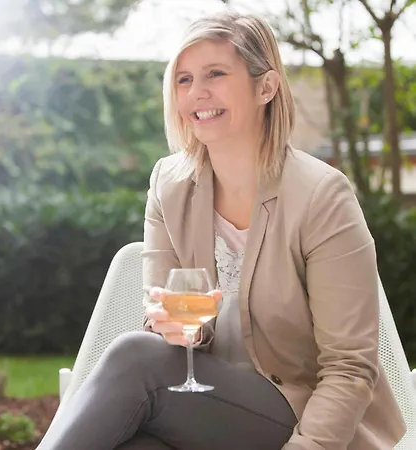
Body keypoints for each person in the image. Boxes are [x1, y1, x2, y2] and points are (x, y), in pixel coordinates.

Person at [36, 11, 406, 450]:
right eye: (184, 79)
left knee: (134, 357)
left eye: (215, 74)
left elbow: (349, 368)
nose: (197, 92)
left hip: (304, 417)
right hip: (204, 406)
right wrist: (179, 328)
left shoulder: (321, 196)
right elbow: (166, 325)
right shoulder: (169, 184)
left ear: (266, 88)